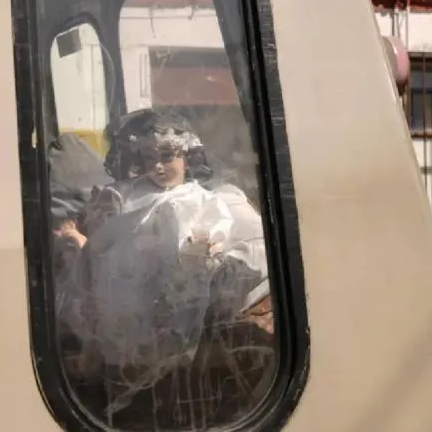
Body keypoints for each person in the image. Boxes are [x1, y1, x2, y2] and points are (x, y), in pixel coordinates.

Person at [54, 108, 272, 427]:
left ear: (186, 158)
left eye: (166, 156)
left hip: (188, 321)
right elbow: (103, 255)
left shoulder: (209, 201)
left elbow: (236, 250)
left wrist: (203, 258)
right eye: (143, 159)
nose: (155, 167)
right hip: (128, 319)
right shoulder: (121, 201)